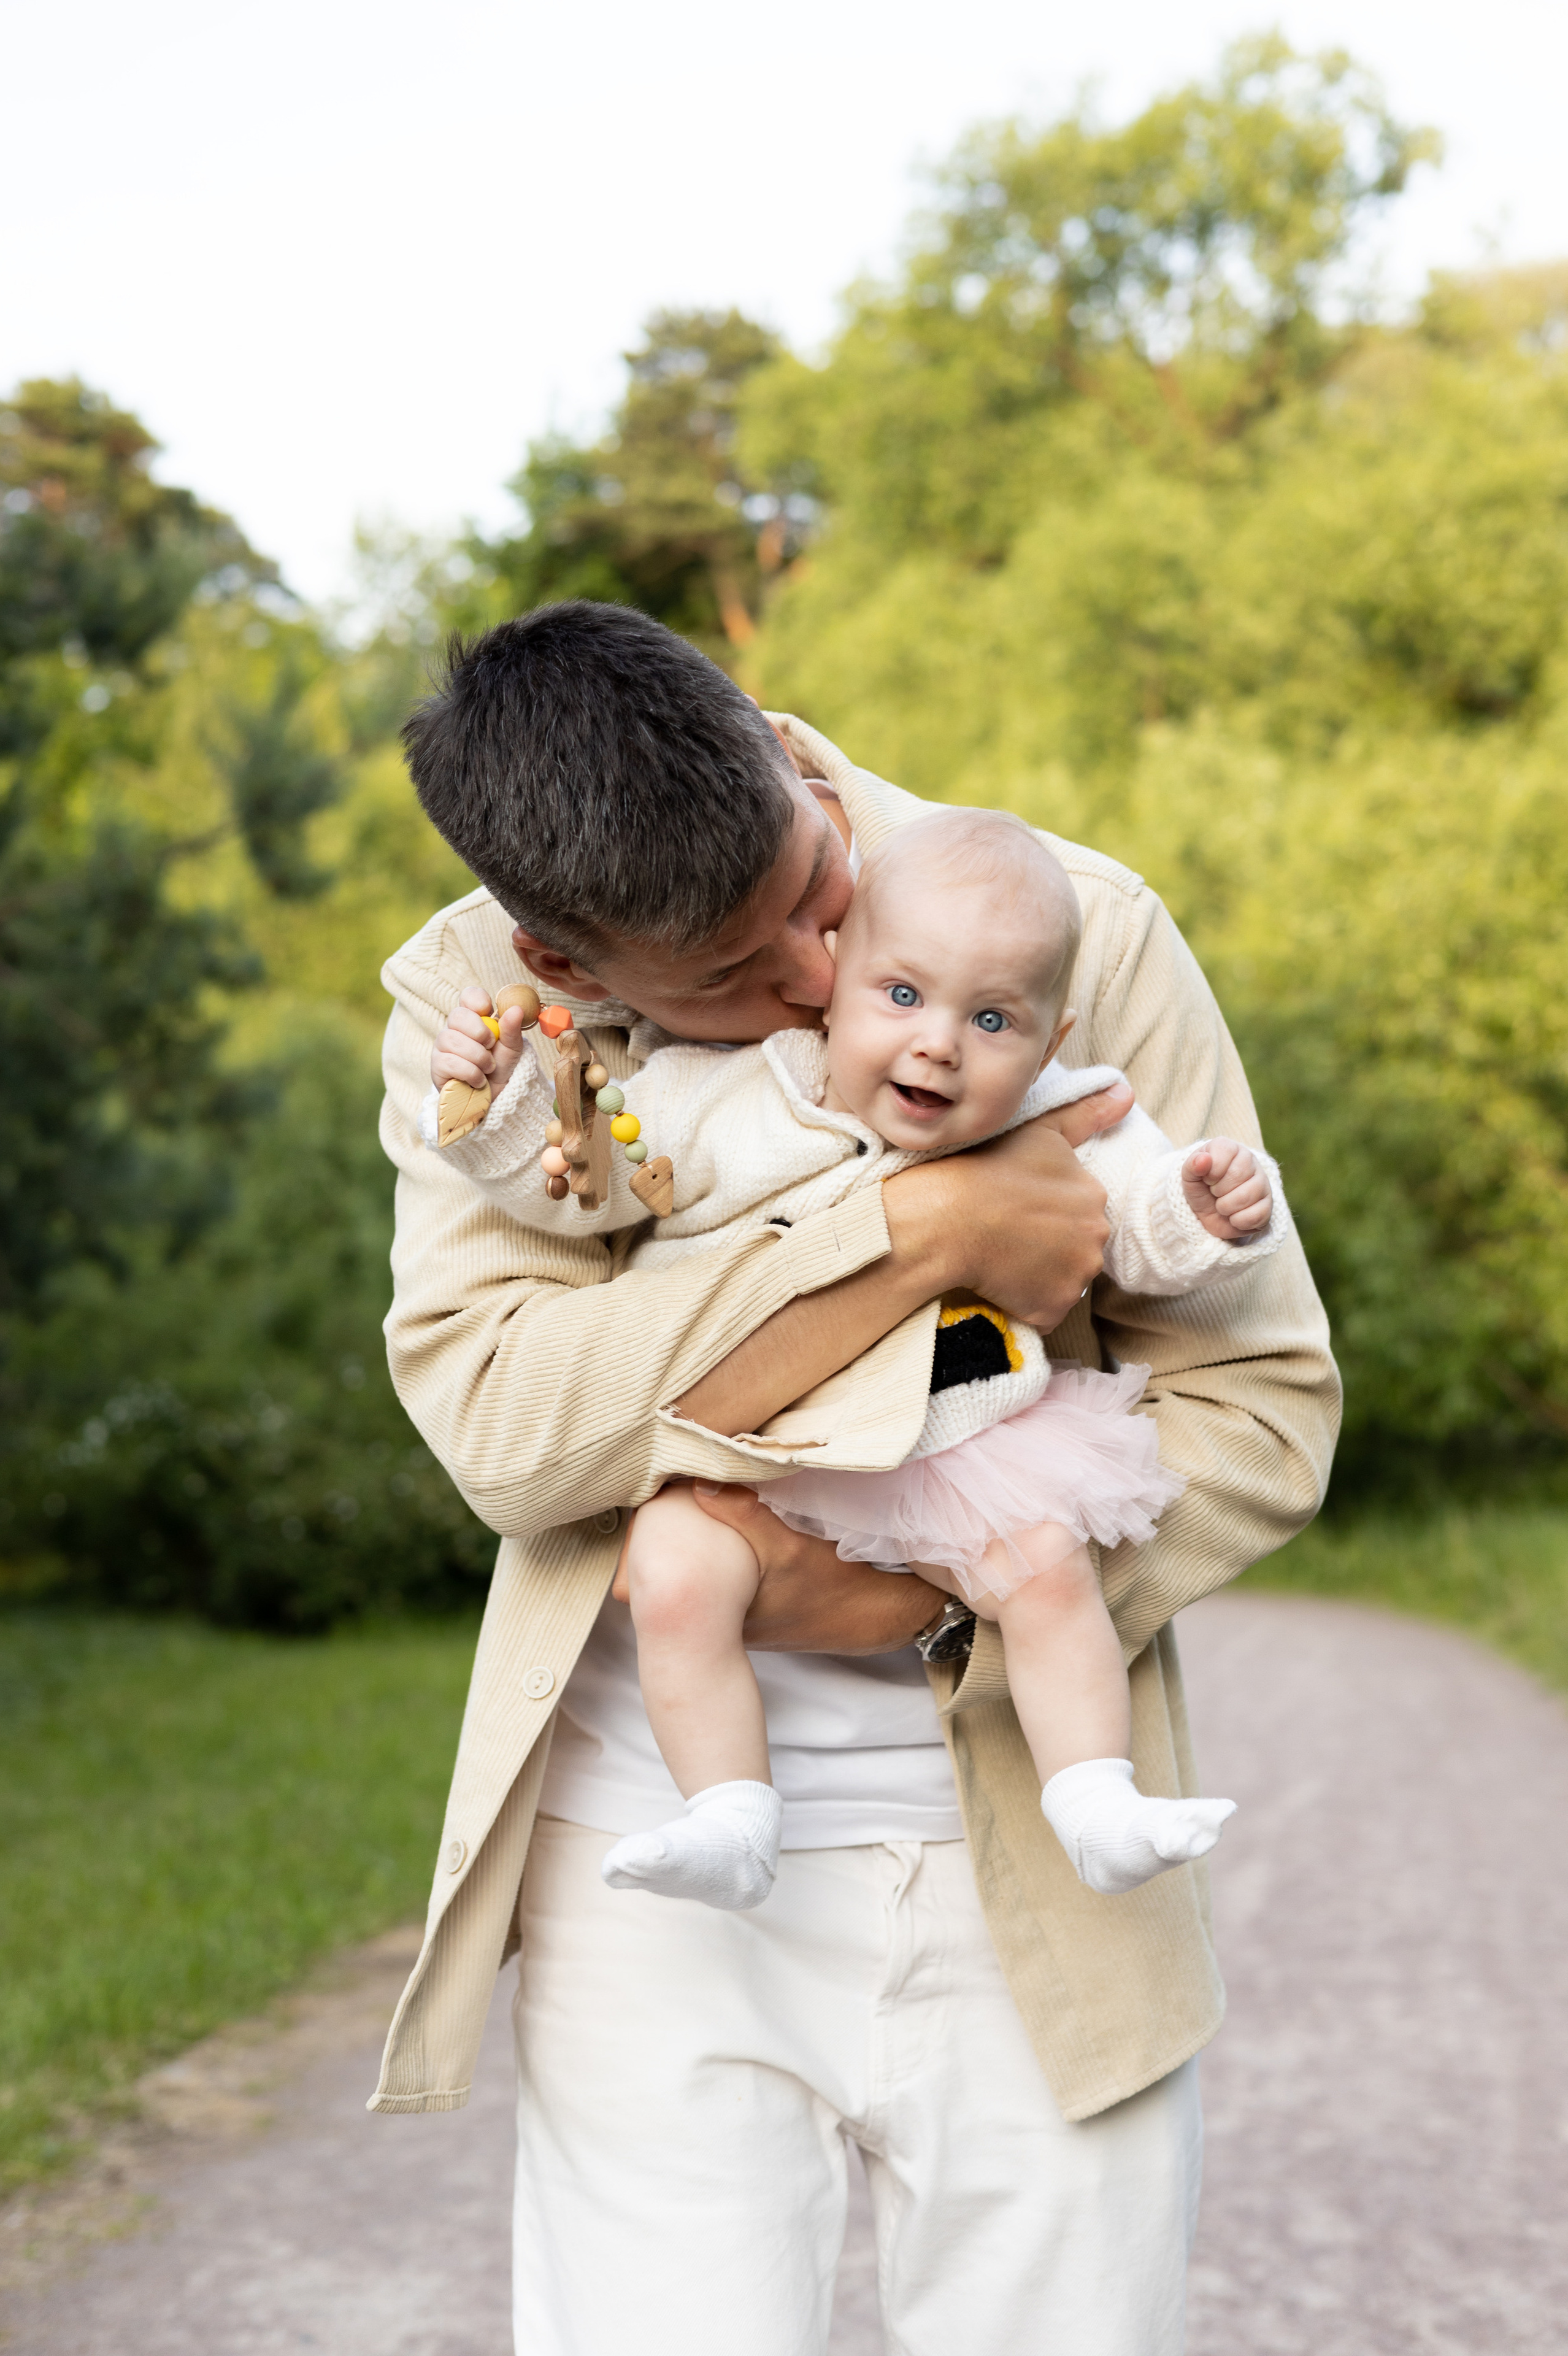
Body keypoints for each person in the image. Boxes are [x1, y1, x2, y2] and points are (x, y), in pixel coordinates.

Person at [369, 601, 1339, 2356]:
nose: (827, 986)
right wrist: (917, 1232)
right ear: (569, 969)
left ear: (763, 731)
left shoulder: (1070, 926)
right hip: (643, 1864)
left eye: (822, 894)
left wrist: (930, 1586)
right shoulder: (480, 1032)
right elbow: (510, 1433)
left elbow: (1262, 1402)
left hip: (1025, 1842)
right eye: (743, 983)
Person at [426, 807, 1286, 1911]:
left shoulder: (1059, 1109)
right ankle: (728, 1813)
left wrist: (1201, 1213)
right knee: (681, 1581)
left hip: (954, 1432)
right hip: (756, 1444)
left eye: (991, 1019)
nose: (937, 1043)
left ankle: (1095, 1799)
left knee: (1047, 1570)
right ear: (835, 984)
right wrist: (505, 1111)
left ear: (1051, 1036)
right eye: (901, 997)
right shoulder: (737, 1091)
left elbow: (1127, 1221)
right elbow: (592, 1192)